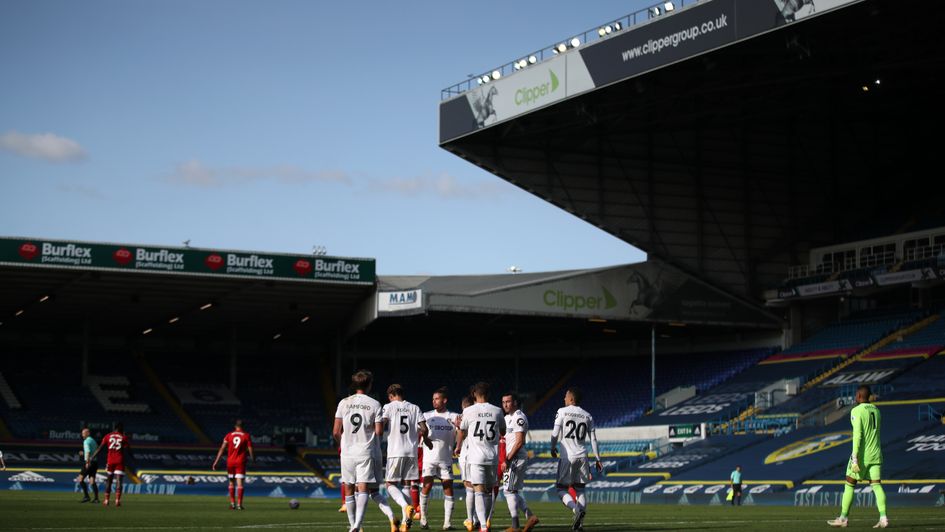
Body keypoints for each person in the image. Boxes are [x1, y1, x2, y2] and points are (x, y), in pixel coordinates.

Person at [334, 370, 397, 532]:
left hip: (347, 452)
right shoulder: (375, 404)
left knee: (348, 487)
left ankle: (353, 526)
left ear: (354, 384)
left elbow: (335, 432)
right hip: (365, 451)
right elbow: (379, 432)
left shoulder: (343, 402)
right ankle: (357, 525)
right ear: (369, 385)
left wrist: (343, 444)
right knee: (363, 488)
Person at [828, 385, 888, 529]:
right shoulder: (876, 411)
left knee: (849, 484)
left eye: (856, 395)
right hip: (876, 454)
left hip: (862, 456)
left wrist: (854, 457)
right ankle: (883, 517)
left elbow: (858, 435)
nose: (855, 397)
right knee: (876, 485)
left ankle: (843, 518)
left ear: (859, 396)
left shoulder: (856, 411)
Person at [455, 382, 506, 532]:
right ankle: (486, 522)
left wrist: (458, 446)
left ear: (474, 395)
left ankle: (482, 526)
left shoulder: (468, 411)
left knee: (478, 490)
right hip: (492, 457)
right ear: (488, 394)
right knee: (489, 491)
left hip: (475, 457)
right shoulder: (497, 410)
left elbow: (462, 431)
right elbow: (503, 431)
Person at [382, 383, 431, 531]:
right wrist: (425, 439)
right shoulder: (415, 407)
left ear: (391, 396)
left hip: (395, 451)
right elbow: (424, 429)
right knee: (406, 485)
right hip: (411, 452)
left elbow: (381, 425)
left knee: (389, 484)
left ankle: (405, 506)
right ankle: (405, 523)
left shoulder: (388, 407)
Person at [550, 388, 601, 532]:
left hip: (567, 456)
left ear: (571, 399)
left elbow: (555, 433)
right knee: (580, 490)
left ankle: (575, 510)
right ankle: (580, 525)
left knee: (560, 489)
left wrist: (552, 448)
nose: (564, 399)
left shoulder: (562, 411)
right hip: (582, 456)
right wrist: (598, 459)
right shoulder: (587, 415)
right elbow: (593, 439)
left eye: (566, 396)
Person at [420, 387, 459, 531]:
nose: (434, 401)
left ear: (444, 400)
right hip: (429, 459)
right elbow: (420, 433)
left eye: (437, 399)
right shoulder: (426, 415)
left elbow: (461, 432)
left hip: (446, 459)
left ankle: (447, 523)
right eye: (433, 399)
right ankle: (423, 518)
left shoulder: (454, 416)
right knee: (426, 487)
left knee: (448, 489)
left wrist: (458, 441)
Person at [501, 392, 539, 532]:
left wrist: (507, 459)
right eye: (503, 402)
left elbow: (519, 442)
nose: (505, 404)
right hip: (512, 458)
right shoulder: (506, 418)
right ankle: (530, 516)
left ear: (515, 403)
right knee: (512, 491)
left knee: (508, 491)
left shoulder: (519, 417)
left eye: (508, 401)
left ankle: (515, 526)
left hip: (516, 458)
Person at [212, 419, 256, 510]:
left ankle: (232, 504)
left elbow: (222, 448)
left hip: (230, 462)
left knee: (231, 482)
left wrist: (216, 461)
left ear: (235, 426)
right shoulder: (246, 435)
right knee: (240, 484)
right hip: (240, 461)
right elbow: (250, 448)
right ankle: (239, 504)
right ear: (243, 426)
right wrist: (253, 459)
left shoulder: (229, 435)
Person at [88, 421, 130, 507]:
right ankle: (117, 500)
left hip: (110, 461)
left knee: (109, 481)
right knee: (119, 481)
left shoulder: (107, 436)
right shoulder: (123, 437)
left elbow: (100, 448)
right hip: (119, 460)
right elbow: (127, 449)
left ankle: (106, 500)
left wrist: (92, 457)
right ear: (120, 428)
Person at [456, 394, 479, 532]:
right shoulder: (479, 415)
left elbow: (461, 434)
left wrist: (457, 446)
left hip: (467, 454)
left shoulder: (464, 415)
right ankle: (478, 519)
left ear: (463, 405)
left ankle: (471, 520)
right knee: (479, 488)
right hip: (479, 454)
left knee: (469, 487)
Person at [78, 427, 100, 503]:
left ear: (88, 433)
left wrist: (87, 462)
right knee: (92, 480)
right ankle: (96, 499)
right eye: (82, 433)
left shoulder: (86, 441)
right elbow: (96, 450)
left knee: (80, 479)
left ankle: (86, 496)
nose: (82, 435)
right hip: (95, 462)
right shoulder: (93, 440)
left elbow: (88, 452)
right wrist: (84, 453)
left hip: (89, 462)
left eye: (83, 433)